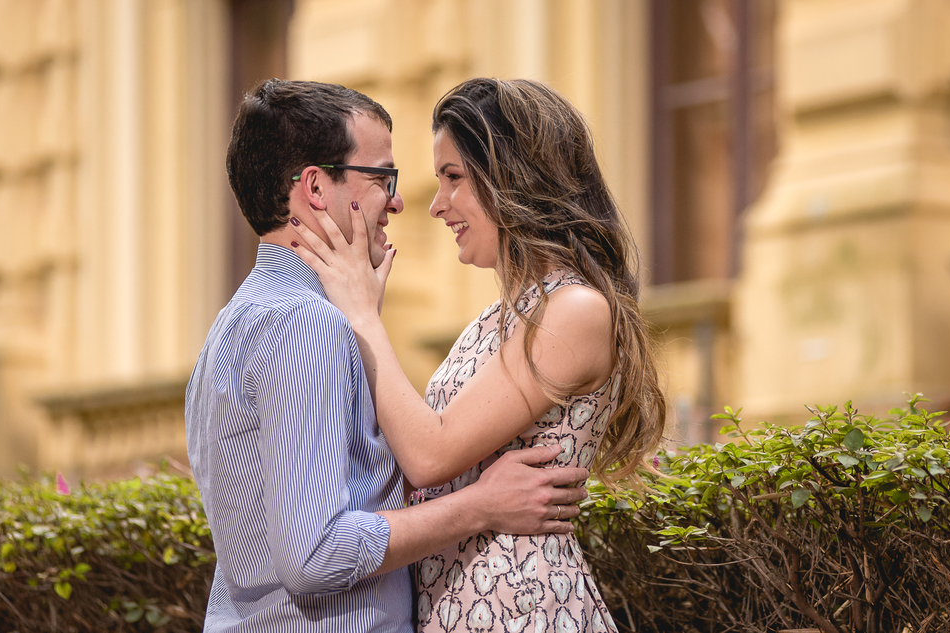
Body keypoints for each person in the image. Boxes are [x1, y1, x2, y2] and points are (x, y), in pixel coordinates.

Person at [185, 79, 590, 633]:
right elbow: (314, 554)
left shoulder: (230, 326)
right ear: (316, 188)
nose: (400, 202)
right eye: (381, 178)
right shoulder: (306, 324)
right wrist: (480, 505)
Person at [289, 77, 667, 633]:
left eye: (453, 178)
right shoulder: (499, 318)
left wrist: (363, 315)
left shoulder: (577, 311)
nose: (437, 205)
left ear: (512, 178)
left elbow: (432, 453)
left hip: (522, 605)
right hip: (466, 602)